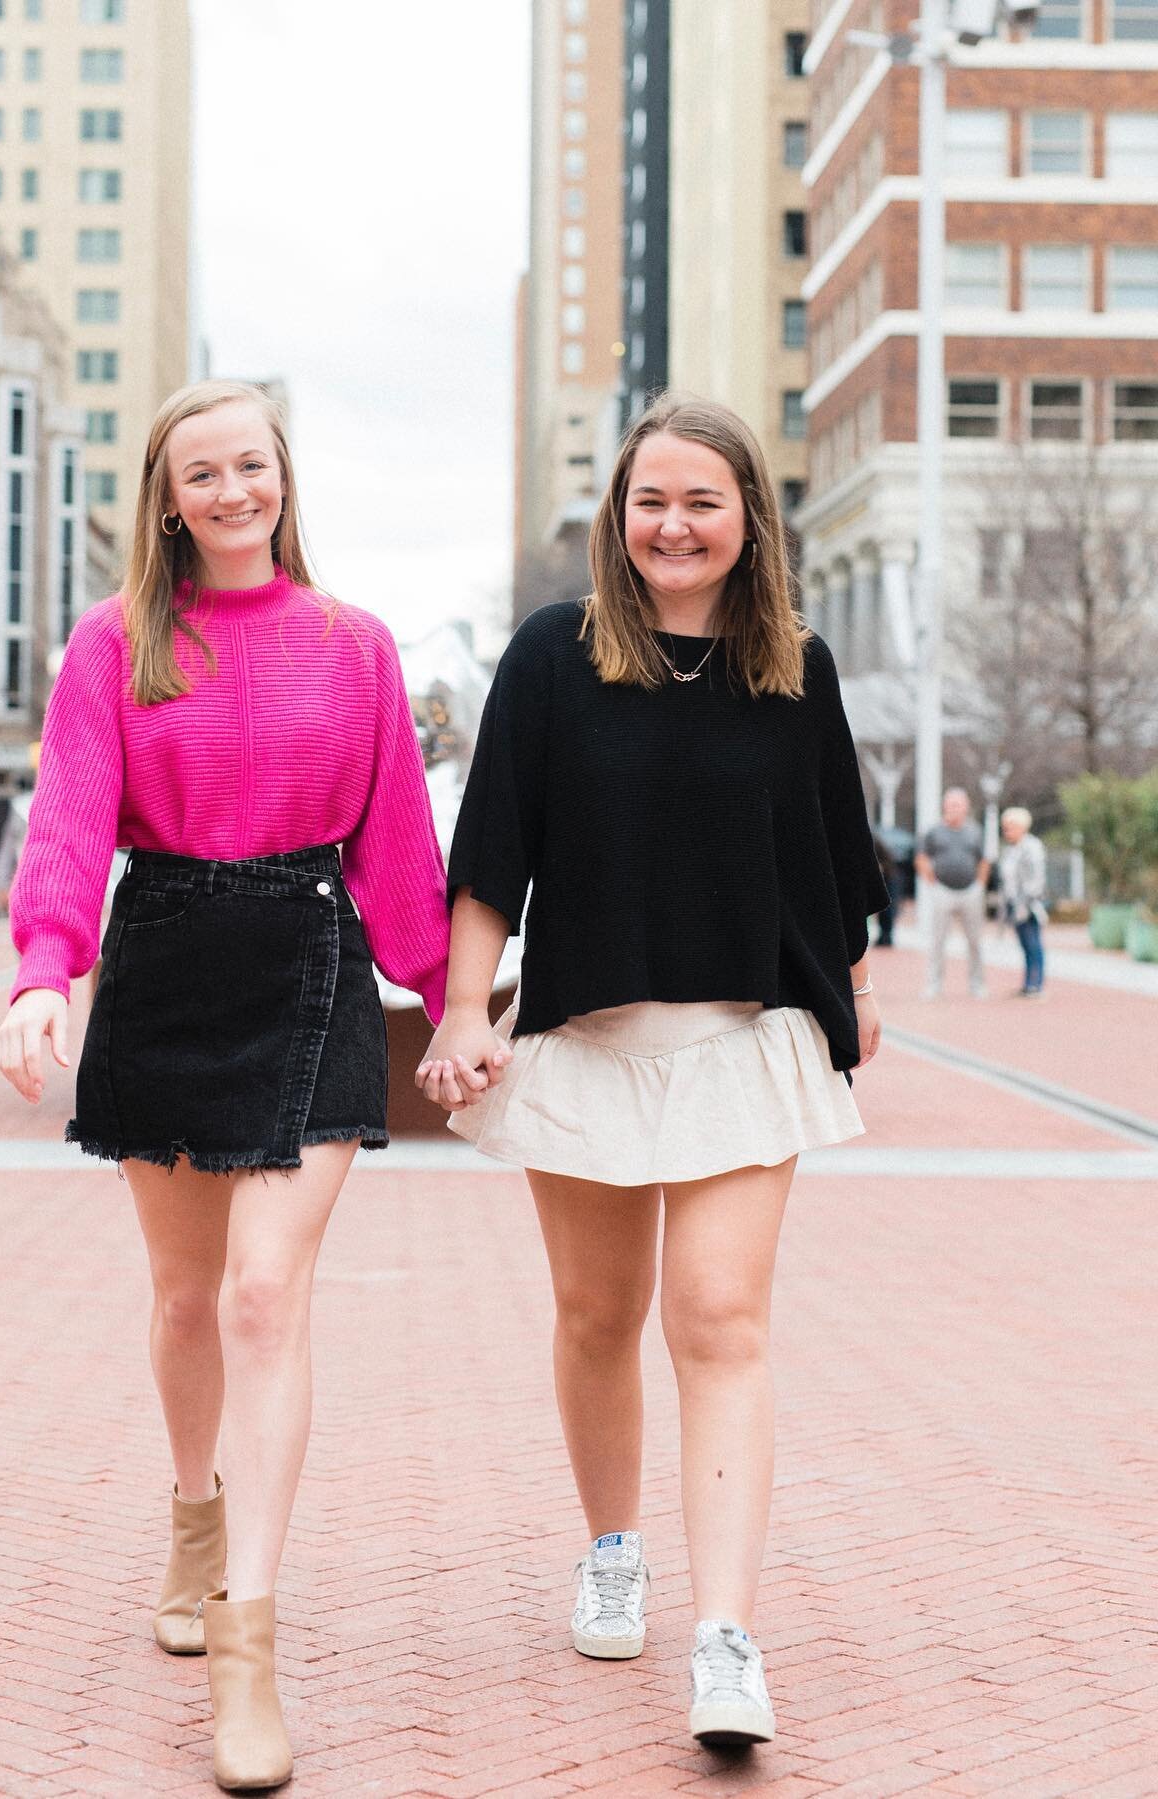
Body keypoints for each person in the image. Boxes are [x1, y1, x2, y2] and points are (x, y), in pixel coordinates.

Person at [0, 379, 449, 1792]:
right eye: (205, 471)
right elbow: (71, 820)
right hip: (169, 958)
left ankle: (249, 1636)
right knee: (189, 1296)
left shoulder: (355, 645)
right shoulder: (115, 643)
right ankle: (193, 1514)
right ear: (170, 495)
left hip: (312, 958)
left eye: (253, 462)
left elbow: (397, 849)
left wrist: (456, 1002)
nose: (234, 488)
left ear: (283, 477)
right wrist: (39, 972)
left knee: (264, 1294)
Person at [417, 393, 886, 1751]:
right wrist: (460, 1010)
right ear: (619, 516)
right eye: (650, 500)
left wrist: (853, 995)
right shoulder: (554, 659)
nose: (674, 525)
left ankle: (726, 1634)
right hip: (588, 1038)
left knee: (721, 1318)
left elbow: (836, 851)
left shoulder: (795, 662)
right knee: (594, 1312)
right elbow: (493, 845)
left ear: (749, 522)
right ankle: (611, 1543)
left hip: (751, 1031)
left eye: (703, 502)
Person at [916, 787, 989, 999]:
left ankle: (978, 984)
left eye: (958, 804)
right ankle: (933, 985)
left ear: (965, 807)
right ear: (944, 806)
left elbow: (984, 860)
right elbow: (922, 857)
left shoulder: (975, 831)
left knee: (975, 941)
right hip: (943, 891)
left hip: (970, 893)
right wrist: (932, 882)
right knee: (937, 941)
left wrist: (979, 885)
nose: (953, 809)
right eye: (950, 804)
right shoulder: (933, 831)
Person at [999, 807, 1047, 997]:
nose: (1006, 831)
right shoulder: (1011, 850)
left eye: (1010, 827)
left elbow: (1036, 879)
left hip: (1029, 905)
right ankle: (1028, 982)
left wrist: (1025, 902)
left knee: (1033, 943)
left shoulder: (1032, 847)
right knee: (1025, 945)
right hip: (1014, 903)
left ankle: (1036, 983)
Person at [871, 832, 898, 947]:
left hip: (888, 878)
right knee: (883, 908)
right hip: (880, 877)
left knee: (887, 908)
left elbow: (887, 863)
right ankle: (884, 936)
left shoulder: (875, 841)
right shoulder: (874, 839)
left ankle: (887, 936)